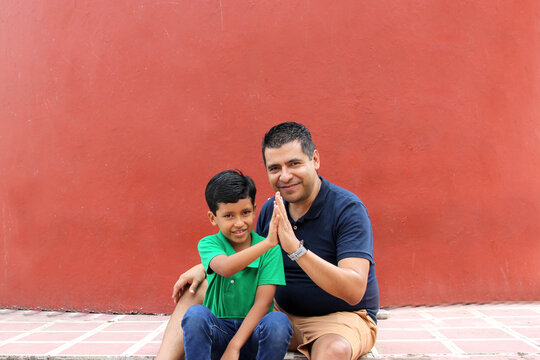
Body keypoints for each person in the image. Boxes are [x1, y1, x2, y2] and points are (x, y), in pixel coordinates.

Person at [156, 122, 379, 360]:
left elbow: (354, 290)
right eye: (275, 168)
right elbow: (249, 255)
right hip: (280, 314)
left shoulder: (347, 209)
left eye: (294, 164)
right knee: (196, 288)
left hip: (337, 319)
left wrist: (295, 249)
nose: (285, 176)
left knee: (334, 350)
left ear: (314, 160)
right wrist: (204, 267)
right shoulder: (270, 210)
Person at [181, 170, 292, 360]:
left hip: (254, 336)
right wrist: (267, 243)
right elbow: (225, 267)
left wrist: (235, 346)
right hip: (218, 333)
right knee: (195, 315)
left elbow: (263, 303)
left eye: (246, 213)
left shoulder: (271, 251)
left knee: (278, 321)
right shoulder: (209, 244)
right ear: (212, 218)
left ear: (255, 209)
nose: (239, 223)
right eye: (229, 216)